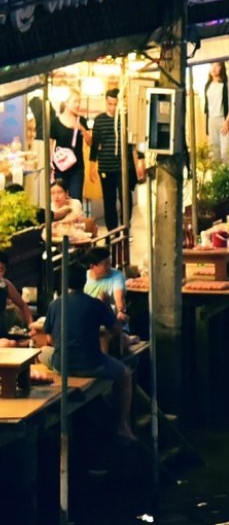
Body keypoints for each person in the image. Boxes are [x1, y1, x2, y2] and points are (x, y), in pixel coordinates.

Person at [39, 259, 136, 443]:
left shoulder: (55, 304)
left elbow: (50, 340)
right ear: (84, 281)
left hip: (62, 364)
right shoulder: (95, 304)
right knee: (125, 374)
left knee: (42, 351)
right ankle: (123, 425)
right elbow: (117, 329)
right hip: (92, 364)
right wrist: (106, 307)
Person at [89, 88, 125, 230]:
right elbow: (94, 144)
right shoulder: (99, 120)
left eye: (115, 104)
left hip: (122, 166)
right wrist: (92, 166)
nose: (112, 107)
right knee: (109, 201)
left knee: (125, 198)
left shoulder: (124, 119)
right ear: (106, 102)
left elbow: (131, 143)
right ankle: (112, 232)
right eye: (110, 104)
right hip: (105, 166)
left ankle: (125, 227)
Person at [81, 245, 128, 327]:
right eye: (105, 264)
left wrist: (120, 310)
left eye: (109, 263)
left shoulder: (117, 276)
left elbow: (119, 301)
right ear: (92, 266)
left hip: (111, 320)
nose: (109, 267)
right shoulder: (83, 278)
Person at [203, 61, 229, 166]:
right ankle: (216, 175)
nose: (214, 68)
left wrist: (227, 121)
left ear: (222, 67)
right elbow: (207, 107)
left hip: (223, 119)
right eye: (212, 65)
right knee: (214, 152)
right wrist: (207, 126)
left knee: (225, 153)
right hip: (211, 120)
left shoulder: (227, 84)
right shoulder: (208, 85)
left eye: (217, 65)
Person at [0, 251, 34, 338]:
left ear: (5, 271)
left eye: (1, 270)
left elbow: (23, 305)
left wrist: (31, 326)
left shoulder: (5, 284)